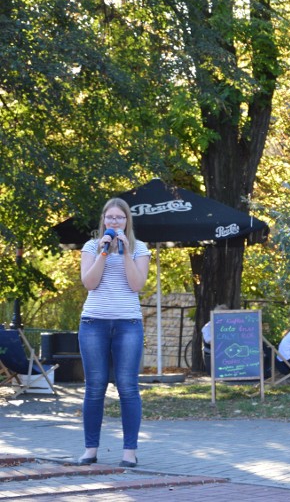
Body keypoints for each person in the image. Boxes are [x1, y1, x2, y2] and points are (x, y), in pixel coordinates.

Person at [77, 198, 151, 468]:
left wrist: (126, 251)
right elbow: (89, 283)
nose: (114, 222)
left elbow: (136, 285)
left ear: (127, 220)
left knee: (128, 388)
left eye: (119, 218)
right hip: (93, 323)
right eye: (110, 218)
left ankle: (129, 452)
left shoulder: (140, 248)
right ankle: (90, 450)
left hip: (127, 324)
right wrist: (103, 253)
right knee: (94, 388)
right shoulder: (91, 246)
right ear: (103, 220)